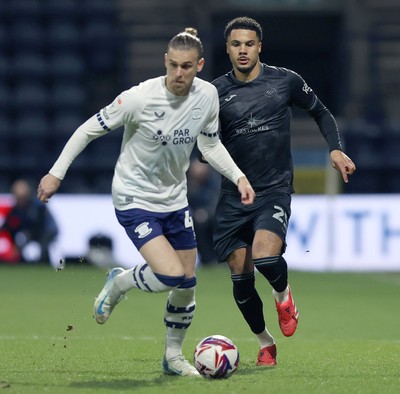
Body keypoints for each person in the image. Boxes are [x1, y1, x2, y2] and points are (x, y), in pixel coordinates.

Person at [37, 28, 255, 377]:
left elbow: (210, 146)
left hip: (174, 199)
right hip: (134, 197)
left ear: (198, 65)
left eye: (186, 66)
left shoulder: (208, 96)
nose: (179, 74)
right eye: (173, 66)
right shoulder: (139, 98)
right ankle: (119, 282)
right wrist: (55, 173)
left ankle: (172, 357)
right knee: (170, 275)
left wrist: (239, 177)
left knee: (187, 285)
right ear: (165, 62)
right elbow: (87, 129)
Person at [210, 17, 356, 367]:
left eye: (249, 44)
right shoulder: (213, 92)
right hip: (233, 196)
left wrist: (335, 148)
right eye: (236, 44)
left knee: (265, 258)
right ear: (227, 49)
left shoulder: (286, 80)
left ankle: (283, 294)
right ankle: (265, 342)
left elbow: (321, 112)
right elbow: (206, 139)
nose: (243, 50)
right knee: (240, 277)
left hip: (273, 189)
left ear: (260, 46)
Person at [0, 179, 58, 264]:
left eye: (21, 197)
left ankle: (44, 264)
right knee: (21, 239)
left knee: (43, 245)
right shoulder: (16, 209)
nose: (19, 200)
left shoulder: (37, 206)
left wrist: (25, 235)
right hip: (31, 232)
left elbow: (39, 224)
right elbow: (9, 225)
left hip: (46, 231)